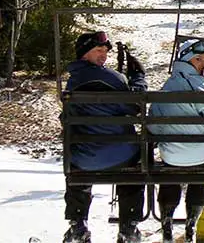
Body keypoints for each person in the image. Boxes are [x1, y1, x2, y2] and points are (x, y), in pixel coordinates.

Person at [62, 31, 147, 243]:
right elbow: (136, 105)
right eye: (98, 50)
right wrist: (138, 78)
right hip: (120, 155)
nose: (104, 55)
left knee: (78, 165)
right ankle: (128, 226)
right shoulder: (111, 78)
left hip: (82, 158)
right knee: (134, 167)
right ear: (84, 54)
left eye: (105, 51)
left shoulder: (72, 83)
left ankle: (77, 224)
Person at [148, 39, 204, 243]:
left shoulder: (166, 87)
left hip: (172, 156)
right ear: (188, 59)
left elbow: (153, 126)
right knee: (203, 172)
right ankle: (191, 223)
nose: (203, 64)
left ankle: (167, 221)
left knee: (171, 172)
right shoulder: (203, 86)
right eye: (199, 59)